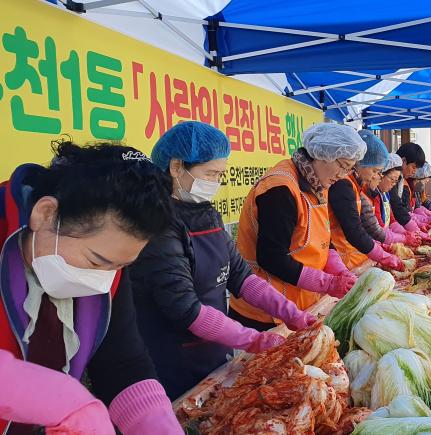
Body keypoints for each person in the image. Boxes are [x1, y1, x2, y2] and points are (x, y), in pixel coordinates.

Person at [0, 141, 181, 434]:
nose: (103, 279)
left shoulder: (109, 271)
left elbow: (122, 361)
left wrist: (155, 420)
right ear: (46, 214)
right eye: (96, 261)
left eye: (120, 266)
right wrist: (64, 401)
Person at [130, 122, 316, 400]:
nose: (215, 183)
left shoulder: (205, 213)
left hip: (214, 347)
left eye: (219, 174)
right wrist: (251, 339)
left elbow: (240, 276)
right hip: (171, 359)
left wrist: (291, 313)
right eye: (210, 174)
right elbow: (184, 308)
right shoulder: (156, 226)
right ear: (176, 166)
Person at [229, 123, 364, 331]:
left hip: (300, 303)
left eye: (349, 169)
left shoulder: (318, 182)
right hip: (266, 311)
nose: (343, 175)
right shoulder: (280, 189)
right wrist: (326, 283)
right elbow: (271, 257)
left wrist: (338, 269)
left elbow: (321, 238)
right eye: (343, 165)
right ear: (322, 154)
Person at [327, 130, 403, 271]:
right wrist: (382, 255)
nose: (375, 176)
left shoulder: (355, 186)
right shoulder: (343, 184)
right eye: (374, 171)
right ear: (360, 163)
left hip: (354, 259)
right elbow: (354, 230)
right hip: (345, 261)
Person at [368, 153, 425, 246]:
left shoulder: (385, 194)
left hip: (385, 241)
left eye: (396, 181)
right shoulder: (374, 197)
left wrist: (406, 233)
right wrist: (404, 238)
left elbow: (392, 221)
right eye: (392, 180)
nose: (394, 184)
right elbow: (380, 230)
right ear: (381, 175)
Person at [388, 142, 431, 231]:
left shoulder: (401, 179)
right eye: (413, 167)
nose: (414, 172)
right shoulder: (393, 180)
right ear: (403, 161)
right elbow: (396, 206)